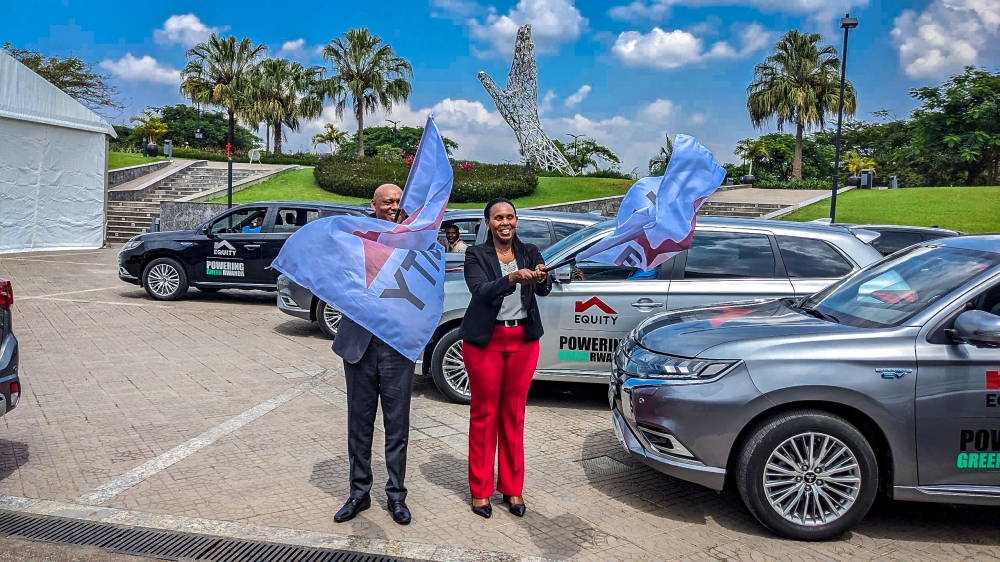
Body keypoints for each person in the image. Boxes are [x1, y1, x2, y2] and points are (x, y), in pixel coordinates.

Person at [460, 197, 551, 519]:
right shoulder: (476, 254)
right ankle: (480, 491)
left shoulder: (530, 251)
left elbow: (544, 289)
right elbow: (480, 291)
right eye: (498, 218)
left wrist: (541, 277)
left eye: (510, 216)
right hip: (486, 342)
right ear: (488, 223)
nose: (505, 222)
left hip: (523, 341)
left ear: (517, 220)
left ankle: (512, 488)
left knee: (513, 415)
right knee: (485, 415)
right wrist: (511, 279)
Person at [332, 183, 414, 526]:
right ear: (374, 205)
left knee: (397, 426)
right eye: (387, 202)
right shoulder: (355, 238)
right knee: (360, 424)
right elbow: (336, 279)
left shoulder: (415, 239)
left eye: (397, 201)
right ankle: (358, 494)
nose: (393, 206)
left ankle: (396, 496)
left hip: (397, 343)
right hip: (359, 345)